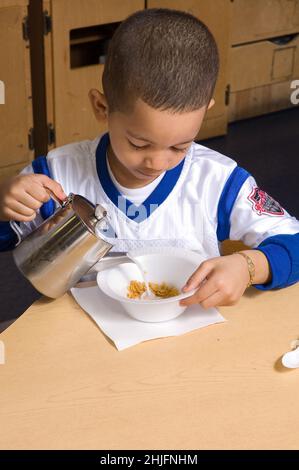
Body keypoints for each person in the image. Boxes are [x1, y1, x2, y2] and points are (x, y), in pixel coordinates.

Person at [0, 8, 298, 310]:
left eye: (179, 146)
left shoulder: (218, 182)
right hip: (86, 339)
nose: (156, 163)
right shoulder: (56, 176)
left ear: (204, 112)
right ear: (102, 107)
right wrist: (3, 204)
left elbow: (294, 244)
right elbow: (9, 241)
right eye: (139, 143)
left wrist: (248, 266)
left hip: (188, 334)